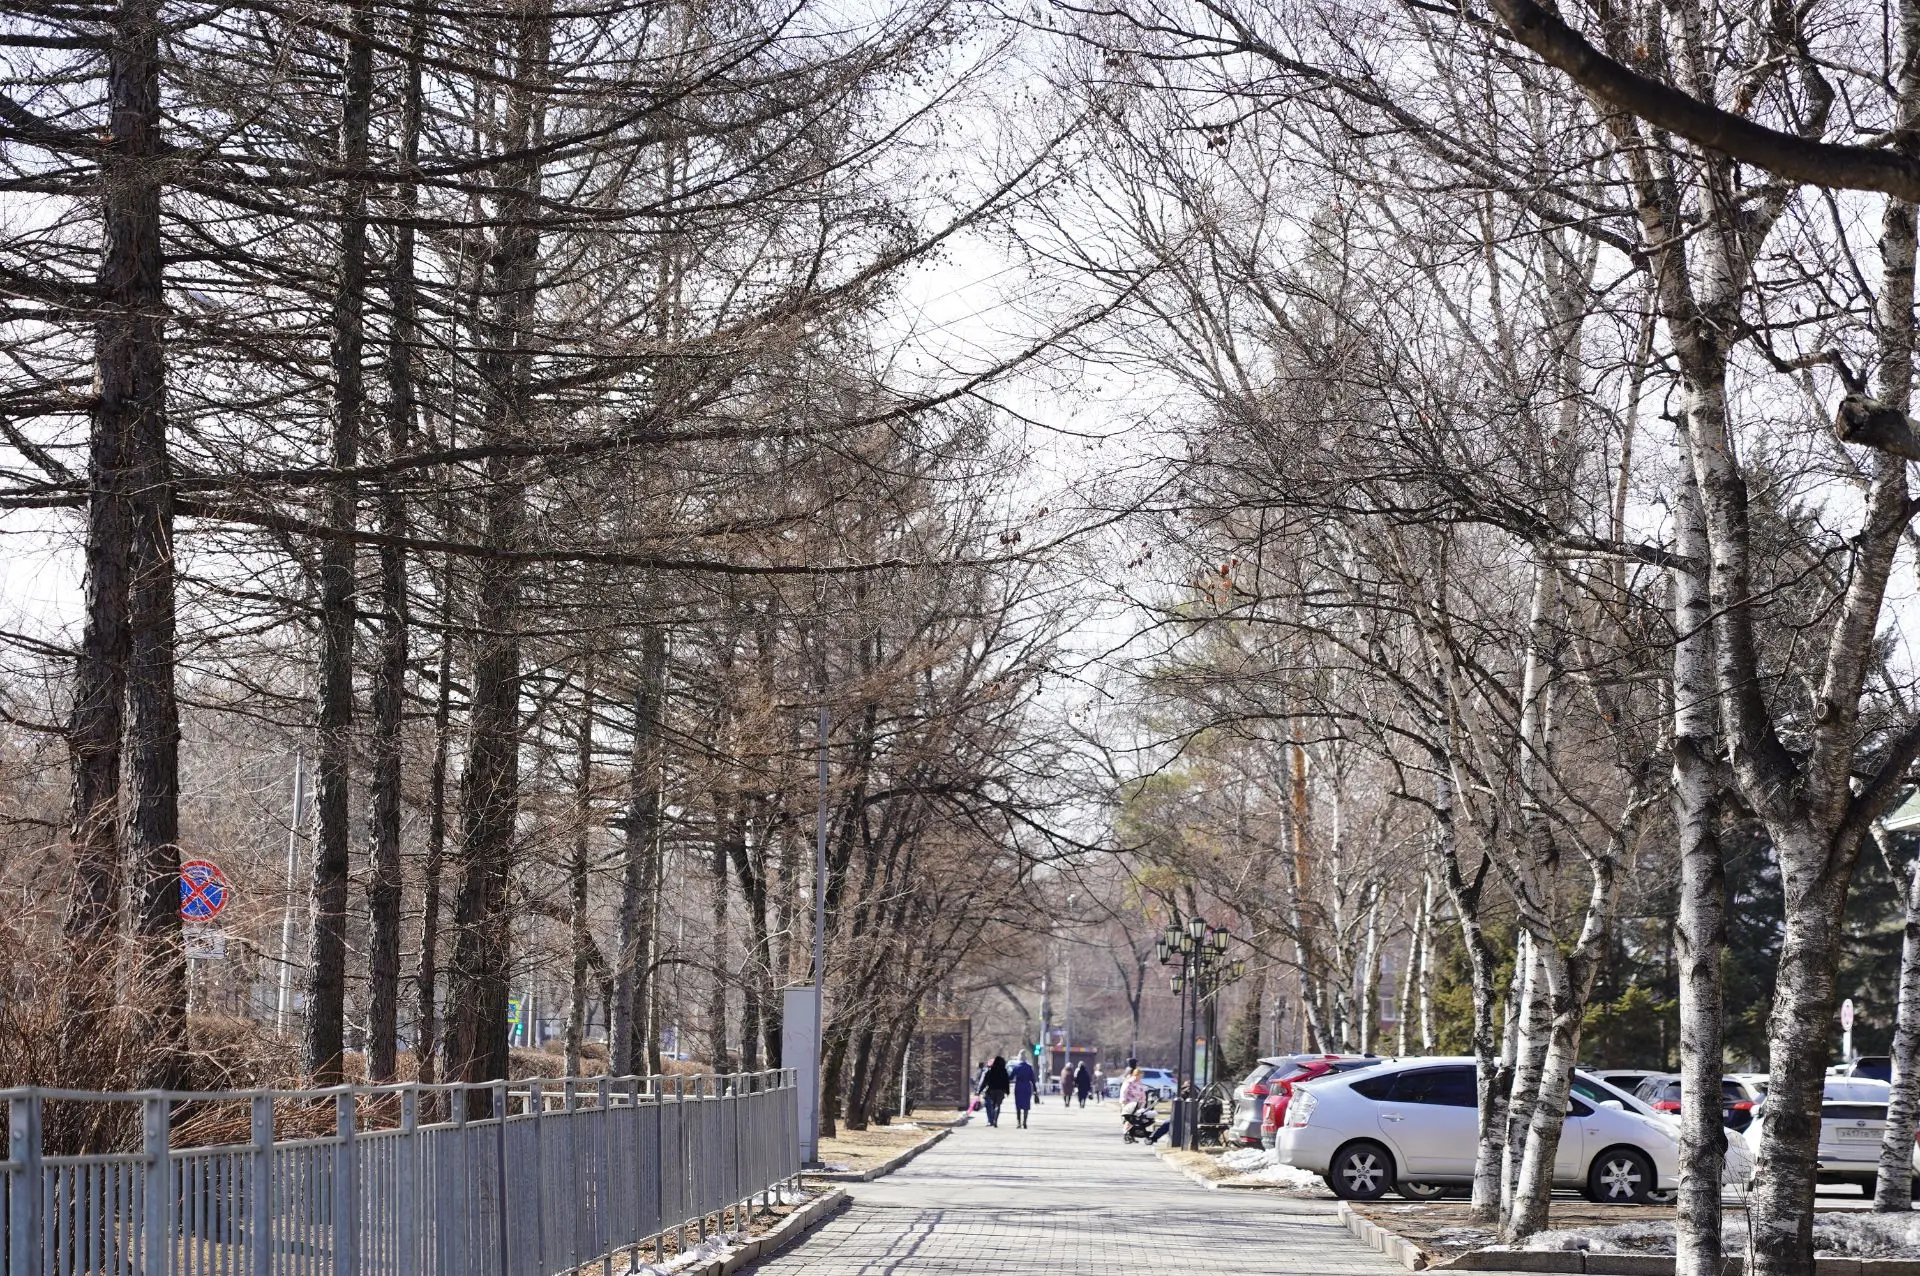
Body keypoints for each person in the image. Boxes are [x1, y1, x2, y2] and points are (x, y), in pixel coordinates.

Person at [978, 1055, 1010, 1128]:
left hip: (991, 1090)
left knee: (992, 1104)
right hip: (1001, 1091)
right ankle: (995, 1119)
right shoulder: (1003, 1071)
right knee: (998, 1105)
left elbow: (984, 1082)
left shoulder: (990, 1071)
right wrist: (1007, 1091)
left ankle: (992, 1118)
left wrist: (979, 1091)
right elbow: (1006, 1082)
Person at [1008, 1052, 1039, 1128]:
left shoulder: (1016, 1067)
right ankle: (1024, 1122)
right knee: (1026, 1105)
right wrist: (1035, 1090)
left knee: (1018, 1105)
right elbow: (1033, 1080)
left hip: (1018, 1087)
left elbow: (1011, 1077)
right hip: (1027, 1088)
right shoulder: (1029, 1067)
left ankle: (1018, 1123)